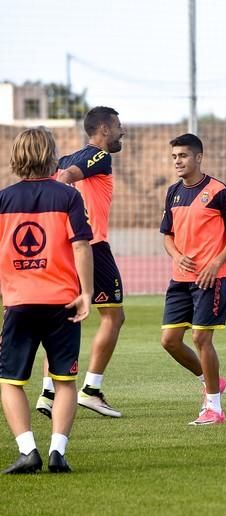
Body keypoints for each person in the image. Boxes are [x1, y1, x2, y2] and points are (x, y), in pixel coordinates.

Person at [0, 127, 93, 473]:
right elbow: (81, 246)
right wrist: (85, 293)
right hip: (62, 303)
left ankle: (28, 451)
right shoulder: (69, 197)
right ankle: (57, 452)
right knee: (64, 380)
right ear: (52, 154)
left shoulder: (2, 199)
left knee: (10, 381)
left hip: (19, 303)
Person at [35, 106, 126, 419]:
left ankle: (48, 393)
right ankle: (91, 390)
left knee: (63, 318)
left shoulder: (66, 156)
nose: (121, 132)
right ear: (103, 129)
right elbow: (65, 177)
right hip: (93, 246)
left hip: (65, 247)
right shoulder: (100, 157)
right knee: (113, 316)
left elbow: (57, 175)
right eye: (117, 126)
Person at [159, 133, 226, 425]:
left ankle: (215, 409)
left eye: (182, 156)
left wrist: (216, 263)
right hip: (180, 279)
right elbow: (167, 236)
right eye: (174, 157)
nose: (178, 162)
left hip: (211, 279)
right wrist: (175, 255)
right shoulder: (173, 192)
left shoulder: (220, 191)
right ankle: (212, 381)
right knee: (169, 340)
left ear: (198, 157)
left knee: (200, 337)